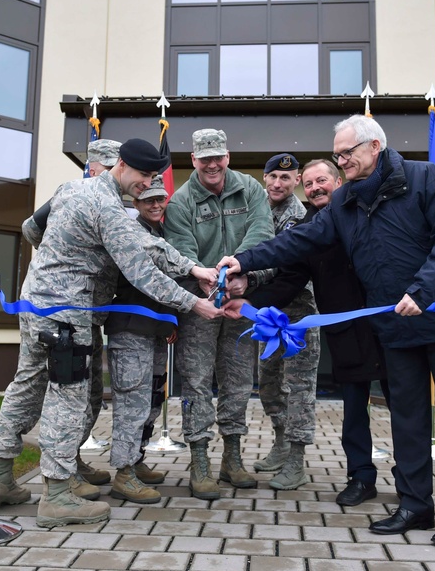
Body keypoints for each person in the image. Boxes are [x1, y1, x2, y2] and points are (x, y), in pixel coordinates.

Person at [218, 115, 435, 547]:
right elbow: (299, 242)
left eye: (347, 154)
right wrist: (243, 262)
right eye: (338, 154)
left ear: (375, 147)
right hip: (395, 327)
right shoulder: (344, 204)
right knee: (408, 420)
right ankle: (415, 505)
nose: (342, 162)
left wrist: (423, 288)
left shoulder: (426, 178)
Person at [0, 138, 222, 528]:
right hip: (67, 314)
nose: (148, 184)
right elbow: (141, 271)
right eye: (145, 176)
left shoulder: (72, 189)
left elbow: (31, 229)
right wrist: (194, 302)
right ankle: (58, 495)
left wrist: (192, 268)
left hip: (36, 305)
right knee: (69, 398)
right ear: (124, 165)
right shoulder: (107, 207)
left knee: (27, 386)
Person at [224, 158, 390, 506]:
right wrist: (248, 303)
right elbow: (290, 271)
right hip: (312, 323)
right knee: (288, 389)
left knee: (394, 402)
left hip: (367, 321)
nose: (314, 188)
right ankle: (344, 470)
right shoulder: (302, 219)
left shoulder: (350, 212)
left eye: (320, 181)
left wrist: (248, 286)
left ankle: (300, 460)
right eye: (309, 184)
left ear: (338, 179)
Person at [162, 128, 273, 499]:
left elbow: (262, 230)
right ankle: (198, 460)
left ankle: (233, 457)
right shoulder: (180, 202)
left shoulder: (250, 188)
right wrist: (208, 279)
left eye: (218, 157)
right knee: (196, 381)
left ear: (227, 157)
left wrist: (239, 271)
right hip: (200, 304)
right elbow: (181, 251)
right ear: (193, 160)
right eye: (204, 158)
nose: (212, 164)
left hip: (240, 300)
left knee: (239, 380)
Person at [12, 138, 122, 500]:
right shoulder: (78, 194)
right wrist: (63, 262)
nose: (111, 175)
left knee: (84, 393)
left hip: (76, 310)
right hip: (65, 310)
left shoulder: (103, 199)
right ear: (93, 168)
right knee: (66, 393)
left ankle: (67, 461)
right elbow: (30, 228)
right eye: (106, 168)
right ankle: (60, 480)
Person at [245, 153, 321, 491]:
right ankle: (281, 441)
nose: (278, 183)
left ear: (298, 181)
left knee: (298, 388)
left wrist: (246, 288)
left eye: (286, 179)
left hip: (297, 314)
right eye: (273, 176)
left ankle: (296, 461)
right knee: (269, 384)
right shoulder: (255, 209)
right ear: (265, 178)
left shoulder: (301, 218)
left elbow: (282, 265)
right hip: (266, 314)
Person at [103, 175, 177, 504]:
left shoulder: (160, 232)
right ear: (136, 203)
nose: (156, 205)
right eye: (149, 200)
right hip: (130, 330)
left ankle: (136, 459)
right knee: (132, 403)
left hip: (154, 330)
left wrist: (168, 323)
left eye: (160, 199)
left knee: (150, 401)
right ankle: (123, 473)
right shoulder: (131, 233)